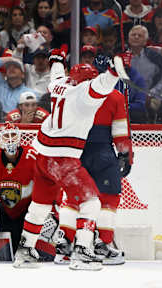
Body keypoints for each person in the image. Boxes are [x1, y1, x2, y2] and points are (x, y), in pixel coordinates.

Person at [12, 46, 123, 270]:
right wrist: (115, 70)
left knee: (40, 205)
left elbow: (56, 73)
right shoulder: (85, 95)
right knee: (91, 202)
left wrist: (57, 58)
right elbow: (102, 84)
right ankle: (82, 251)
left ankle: (25, 251)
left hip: (43, 156)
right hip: (63, 159)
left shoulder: (60, 86)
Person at [56, 86, 133, 265]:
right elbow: (120, 131)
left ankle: (64, 245)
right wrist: (125, 155)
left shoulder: (68, 93)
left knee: (73, 198)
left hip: (74, 151)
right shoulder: (114, 96)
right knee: (108, 199)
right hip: (101, 151)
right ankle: (102, 245)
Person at [0, 122, 59, 262]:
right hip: (7, 213)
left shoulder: (34, 158)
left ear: (19, 138)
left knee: (44, 254)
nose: (10, 139)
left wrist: (52, 213)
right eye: (6, 136)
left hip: (30, 213)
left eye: (13, 135)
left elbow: (49, 189)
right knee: (7, 256)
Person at [128, 25, 162, 123]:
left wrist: (150, 93)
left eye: (140, 35)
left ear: (145, 41)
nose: (136, 37)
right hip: (127, 96)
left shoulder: (155, 58)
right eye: (133, 35)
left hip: (150, 95)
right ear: (128, 39)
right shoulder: (121, 58)